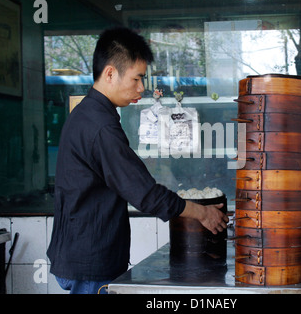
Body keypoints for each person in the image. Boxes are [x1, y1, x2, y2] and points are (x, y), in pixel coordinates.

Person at [47, 27, 229, 294]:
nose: (142, 88)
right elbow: (144, 193)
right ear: (110, 73)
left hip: (79, 255)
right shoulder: (100, 127)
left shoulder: (87, 114)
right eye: (137, 79)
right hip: (90, 263)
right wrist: (202, 213)